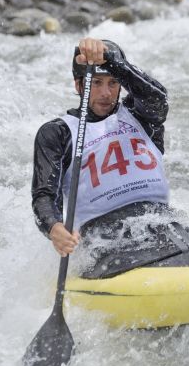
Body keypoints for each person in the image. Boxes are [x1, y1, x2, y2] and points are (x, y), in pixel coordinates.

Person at [32, 38, 170, 257]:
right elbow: (45, 196)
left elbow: (157, 97)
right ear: (79, 85)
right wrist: (54, 227)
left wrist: (113, 62)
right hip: (104, 241)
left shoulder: (140, 115)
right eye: (96, 82)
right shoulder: (58, 133)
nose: (106, 93)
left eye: (113, 83)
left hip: (163, 222)